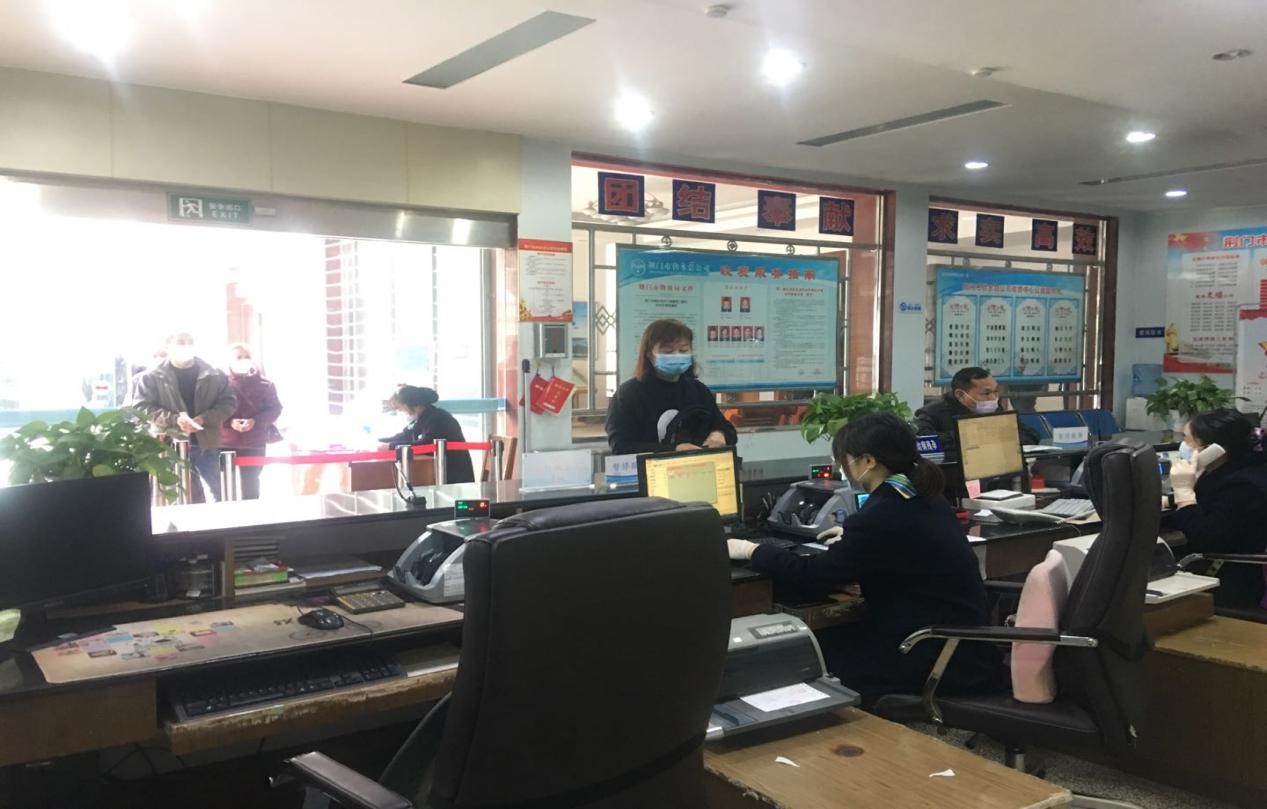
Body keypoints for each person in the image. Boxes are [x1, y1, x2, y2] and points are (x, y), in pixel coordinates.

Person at [727, 413, 1004, 702]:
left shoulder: (882, 515)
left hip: (925, 653)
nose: (841, 467)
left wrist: (752, 550)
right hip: (963, 649)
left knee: (807, 650)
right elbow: (898, 543)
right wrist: (852, 538)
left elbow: (813, 575)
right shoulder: (924, 496)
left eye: (844, 459)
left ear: (869, 461)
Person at [1170, 408, 1267, 609]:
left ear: (1214, 449)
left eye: (1187, 439)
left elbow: (1208, 538)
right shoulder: (1231, 470)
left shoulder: (1243, 486)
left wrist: (1183, 493)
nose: (1183, 446)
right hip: (1226, 566)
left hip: (1234, 579)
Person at [131, 333, 237, 502]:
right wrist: (174, 419)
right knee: (186, 496)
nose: (186, 346)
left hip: (207, 442)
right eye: (180, 342)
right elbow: (141, 407)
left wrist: (204, 418)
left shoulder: (215, 375)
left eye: (190, 342)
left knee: (222, 493)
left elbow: (228, 403)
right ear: (168, 346)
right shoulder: (151, 377)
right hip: (171, 444)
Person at [605, 319, 737, 455]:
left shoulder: (698, 390)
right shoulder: (628, 395)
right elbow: (621, 447)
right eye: (668, 351)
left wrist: (719, 434)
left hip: (700, 466)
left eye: (683, 350)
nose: (677, 356)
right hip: (651, 468)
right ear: (649, 355)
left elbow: (728, 430)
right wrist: (674, 450)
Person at [219, 344, 283, 500]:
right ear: (229, 360)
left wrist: (256, 421)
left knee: (251, 487)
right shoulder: (219, 384)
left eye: (247, 356)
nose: (243, 360)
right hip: (226, 443)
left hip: (254, 443)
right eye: (238, 357)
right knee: (225, 488)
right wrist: (230, 422)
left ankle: (252, 514)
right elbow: (212, 411)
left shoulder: (265, 384)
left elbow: (275, 408)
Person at [915, 366, 1039, 446]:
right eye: (986, 393)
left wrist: (1005, 436)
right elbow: (923, 442)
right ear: (960, 395)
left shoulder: (995, 408)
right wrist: (970, 434)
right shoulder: (931, 413)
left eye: (996, 391)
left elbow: (1031, 435)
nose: (993, 398)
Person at [379, 385, 475, 484]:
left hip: (453, 476)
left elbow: (426, 445)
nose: (399, 411)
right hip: (438, 472)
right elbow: (406, 434)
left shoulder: (439, 418)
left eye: (399, 407)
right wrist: (381, 442)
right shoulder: (424, 416)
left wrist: (391, 446)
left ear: (408, 404)